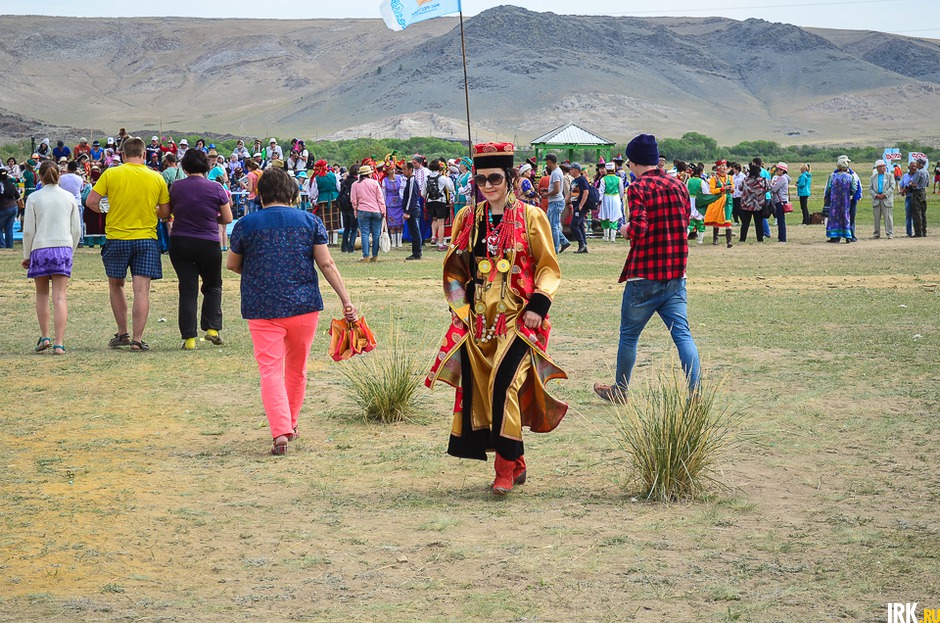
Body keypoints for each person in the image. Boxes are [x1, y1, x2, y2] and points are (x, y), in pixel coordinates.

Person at [426, 141, 567, 496]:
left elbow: (548, 267)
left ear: (510, 178)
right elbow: (456, 269)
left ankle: (503, 471)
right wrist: (459, 307)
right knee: (485, 393)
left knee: (506, 385)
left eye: (495, 178)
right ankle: (516, 460)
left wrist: (538, 306)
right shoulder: (468, 218)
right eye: (481, 180)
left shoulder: (531, 217)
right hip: (478, 322)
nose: (488, 186)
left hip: (519, 319)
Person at [226, 167, 357, 456]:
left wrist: (259, 273)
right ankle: (292, 423)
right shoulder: (309, 221)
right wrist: (346, 300)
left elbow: (232, 264)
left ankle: (280, 431)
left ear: (261, 194)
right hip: (303, 306)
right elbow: (326, 264)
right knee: (297, 369)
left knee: (270, 371)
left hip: (262, 307)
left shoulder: (246, 224)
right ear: (291, 193)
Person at [593, 134, 700, 401]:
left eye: (630, 161)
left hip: (644, 274)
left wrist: (625, 229)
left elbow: (639, 228)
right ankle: (695, 392)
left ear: (636, 162)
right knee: (683, 336)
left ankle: (620, 390)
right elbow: (685, 220)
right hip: (675, 273)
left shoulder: (638, 188)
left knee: (629, 336)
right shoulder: (679, 185)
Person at [86, 136, 171, 351]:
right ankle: (138, 339)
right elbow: (165, 211)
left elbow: (91, 201)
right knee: (141, 290)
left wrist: (108, 210)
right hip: (146, 238)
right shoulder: (156, 177)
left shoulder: (111, 173)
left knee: (116, 285)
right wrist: (152, 211)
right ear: (144, 154)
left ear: (123, 155)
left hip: (117, 237)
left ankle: (122, 332)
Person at [159, 149, 233, 350]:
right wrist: (211, 220)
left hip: (180, 242)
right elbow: (227, 218)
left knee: (187, 289)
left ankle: (189, 339)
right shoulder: (216, 187)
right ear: (206, 166)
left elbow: (166, 212)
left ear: (184, 167)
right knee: (212, 285)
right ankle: (212, 328)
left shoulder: (176, 186)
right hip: (208, 243)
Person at [21, 161, 82, 354]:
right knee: (60, 297)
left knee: (42, 295)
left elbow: (28, 231)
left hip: (40, 248)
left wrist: (26, 254)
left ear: (40, 177)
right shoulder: (69, 197)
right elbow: (76, 230)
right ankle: (59, 343)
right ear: (59, 176)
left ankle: (45, 336)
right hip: (63, 248)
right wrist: (70, 251)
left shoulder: (33, 198)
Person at [350, 164, 386, 262]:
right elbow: (380, 198)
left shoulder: (355, 185)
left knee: (365, 234)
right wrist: (383, 210)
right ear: (369, 174)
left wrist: (355, 211)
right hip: (376, 210)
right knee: (376, 234)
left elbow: (354, 200)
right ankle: (375, 255)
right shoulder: (375, 183)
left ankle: (366, 256)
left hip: (363, 210)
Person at [541, 153, 571, 252]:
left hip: (556, 202)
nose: (546, 163)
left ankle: (555, 248)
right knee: (551, 225)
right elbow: (556, 188)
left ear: (550, 161)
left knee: (553, 226)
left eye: (546, 161)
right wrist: (548, 189)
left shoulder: (555, 173)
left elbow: (557, 190)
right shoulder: (557, 171)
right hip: (555, 201)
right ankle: (564, 241)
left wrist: (546, 195)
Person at [824, 156, 856, 243]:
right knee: (845, 216)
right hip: (845, 201)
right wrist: (849, 194)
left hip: (834, 201)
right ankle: (847, 236)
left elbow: (828, 188)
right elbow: (854, 188)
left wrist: (827, 196)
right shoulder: (850, 177)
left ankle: (834, 237)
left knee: (834, 217)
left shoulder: (833, 176)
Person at [424, 160, 455, 251]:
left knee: (434, 219)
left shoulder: (426, 178)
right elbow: (450, 189)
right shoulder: (442, 178)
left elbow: (423, 193)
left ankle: (433, 236)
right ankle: (441, 243)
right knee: (441, 223)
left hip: (430, 201)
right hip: (440, 201)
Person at [705, 160, 734, 247]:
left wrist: (731, 189)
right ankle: (715, 238)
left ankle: (729, 241)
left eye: (725, 166)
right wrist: (722, 189)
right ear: (718, 168)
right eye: (722, 166)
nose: (724, 167)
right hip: (718, 201)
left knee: (728, 220)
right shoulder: (714, 179)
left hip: (728, 201)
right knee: (717, 220)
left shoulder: (730, 177)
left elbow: (733, 189)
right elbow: (712, 191)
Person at [739, 163, 770, 243]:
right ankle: (760, 239)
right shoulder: (763, 181)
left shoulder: (745, 180)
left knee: (745, 224)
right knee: (759, 223)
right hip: (758, 205)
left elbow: (740, 188)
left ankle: (742, 239)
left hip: (746, 205)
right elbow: (769, 188)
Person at [313, 160, 340, 245]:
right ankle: (334, 241)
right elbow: (338, 187)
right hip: (334, 198)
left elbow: (314, 192)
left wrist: (314, 199)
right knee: (335, 219)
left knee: (325, 220)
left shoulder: (317, 178)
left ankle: (327, 241)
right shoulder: (333, 175)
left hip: (322, 200)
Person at [598, 162, 625, 242]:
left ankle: (606, 236)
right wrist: (620, 198)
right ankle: (613, 237)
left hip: (606, 198)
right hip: (616, 198)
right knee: (615, 216)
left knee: (605, 215)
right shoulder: (619, 179)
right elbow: (621, 191)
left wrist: (600, 200)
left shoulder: (603, 179)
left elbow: (601, 191)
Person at [869, 159, 896, 239]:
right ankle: (876, 233)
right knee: (876, 218)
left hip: (886, 199)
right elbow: (870, 188)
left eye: (884, 166)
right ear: (877, 168)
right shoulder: (873, 177)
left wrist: (885, 194)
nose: (883, 168)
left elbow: (892, 187)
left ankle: (889, 233)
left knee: (888, 217)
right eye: (881, 166)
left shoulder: (890, 176)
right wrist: (875, 195)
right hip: (876, 199)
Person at [402, 161, 423, 260]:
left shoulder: (412, 181)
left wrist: (407, 211)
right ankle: (416, 252)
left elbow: (411, 197)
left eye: (405, 169)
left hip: (413, 209)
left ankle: (417, 252)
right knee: (414, 231)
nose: (403, 171)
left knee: (415, 231)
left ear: (410, 169)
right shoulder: (410, 180)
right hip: (412, 209)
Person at [568, 163, 590, 253]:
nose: (570, 171)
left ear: (576, 170)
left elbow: (586, 192)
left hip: (580, 206)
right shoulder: (574, 181)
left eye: (571, 169)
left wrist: (581, 204)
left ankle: (582, 244)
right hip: (575, 205)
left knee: (573, 225)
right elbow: (571, 194)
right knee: (580, 225)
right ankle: (584, 245)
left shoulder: (582, 180)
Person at [382, 164, 405, 248]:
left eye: (393, 169)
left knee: (400, 222)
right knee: (391, 223)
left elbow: (403, 189)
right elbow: (384, 193)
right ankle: (393, 241)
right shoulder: (385, 180)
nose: (393, 171)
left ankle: (399, 241)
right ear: (387, 171)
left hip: (399, 202)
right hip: (390, 203)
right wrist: (383, 203)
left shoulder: (400, 178)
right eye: (390, 170)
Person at [338, 164, 358, 253]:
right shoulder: (356, 182)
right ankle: (351, 247)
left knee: (346, 228)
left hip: (344, 206)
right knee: (354, 228)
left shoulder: (345, 181)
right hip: (352, 206)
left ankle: (344, 246)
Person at [0, 169, 21, 248]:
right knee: (9, 228)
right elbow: (17, 196)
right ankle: (9, 246)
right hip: (13, 207)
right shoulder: (11, 184)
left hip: (3, 208)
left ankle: (2, 245)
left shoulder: (1, 185)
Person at [908, 158, 929, 237]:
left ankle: (918, 232)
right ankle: (924, 231)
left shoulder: (919, 172)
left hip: (917, 193)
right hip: (923, 192)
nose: (916, 164)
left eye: (917, 163)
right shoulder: (926, 172)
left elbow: (914, 183)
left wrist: (910, 183)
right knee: (923, 213)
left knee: (917, 213)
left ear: (920, 164)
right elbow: (927, 184)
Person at [771, 162, 791, 243]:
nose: (777, 171)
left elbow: (774, 189)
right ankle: (781, 237)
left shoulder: (782, 179)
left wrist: (771, 185)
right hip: (781, 201)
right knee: (780, 220)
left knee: (781, 220)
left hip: (780, 201)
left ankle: (782, 238)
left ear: (782, 170)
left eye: (778, 170)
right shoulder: (783, 178)